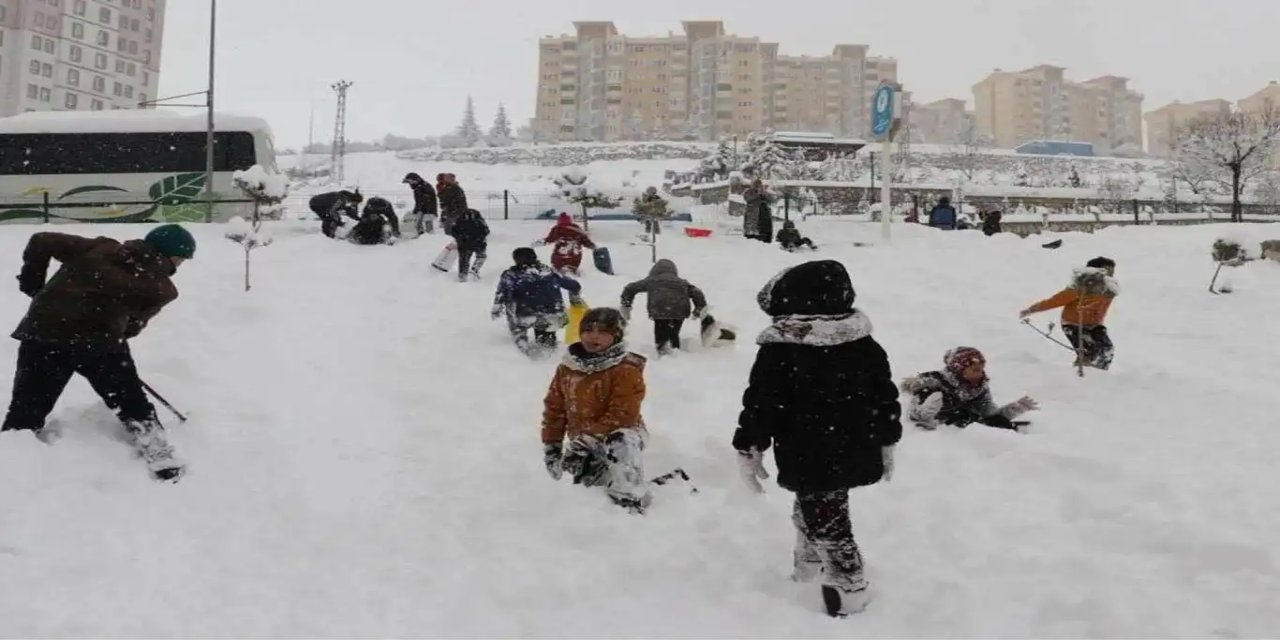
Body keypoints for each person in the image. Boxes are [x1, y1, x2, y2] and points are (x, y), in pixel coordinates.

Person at [733, 260, 901, 616]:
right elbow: (884, 396)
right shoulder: (865, 344)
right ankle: (808, 564)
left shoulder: (782, 349)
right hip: (857, 443)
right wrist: (887, 437)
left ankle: (848, 585)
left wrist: (750, 443)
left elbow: (762, 401)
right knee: (820, 502)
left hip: (807, 447)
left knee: (827, 514)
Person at [2, 225, 196, 481]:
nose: (180, 265)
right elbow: (134, 325)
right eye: (181, 259)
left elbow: (40, 240)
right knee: (130, 400)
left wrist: (32, 282)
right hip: (100, 345)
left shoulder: (98, 247)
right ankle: (160, 454)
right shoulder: (162, 288)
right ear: (171, 256)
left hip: (44, 335)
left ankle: (12, 461)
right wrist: (112, 336)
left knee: (27, 409)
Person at [541, 307, 651, 514]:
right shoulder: (567, 369)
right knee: (588, 491)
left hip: (623, 435)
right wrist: (552, 446)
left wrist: (587, 441)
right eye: (588, 330)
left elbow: (623, 415)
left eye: (603, 332)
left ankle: (630, 496)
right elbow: (555, 409)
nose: (594, 337)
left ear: (616, 336)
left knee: (621, 440)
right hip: (581, 442)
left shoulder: (625, 369)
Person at [900, 347, 1038, 432]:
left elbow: (989, 415)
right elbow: (912, 406)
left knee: (993, 421)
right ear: (959, 370)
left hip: (966, 422)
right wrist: (923, 413)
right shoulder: (934, 382)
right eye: (975, 370)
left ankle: (1018, 435)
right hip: (943, 425)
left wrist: (1013, 409)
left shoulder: (979, 388)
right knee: (955, 410)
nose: (980, 374)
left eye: (981, 369)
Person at [1020, 257, 1118, 370]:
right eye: (1107, 271)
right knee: (1087, 352)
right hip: (1073, 323)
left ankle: (1100, 374)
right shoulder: (1080, 287)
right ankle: (1080, 375)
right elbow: (1054, 301)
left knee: (1107, 349)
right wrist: (1031, 309)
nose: (1110, 275)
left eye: (1112, 272)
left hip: (1094, 324)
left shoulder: (1110, 289)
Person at [492, 247, 582, 356]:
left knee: (513, 311)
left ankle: (521, 345)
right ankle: (548, 351)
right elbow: (574, 285)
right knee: (547, 330)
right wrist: (575, 298)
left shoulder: (511, 275)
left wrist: (497, 308)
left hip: (526, 314)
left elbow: (503, 293)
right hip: (554, 313)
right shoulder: (548, 271)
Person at [619, 259, 708, 355]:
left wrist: (626, 305)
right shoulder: (682, 282)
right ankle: (675, 351)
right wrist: (698, 309)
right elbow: (697, 293)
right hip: (680, 309)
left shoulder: (652, 280)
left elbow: (630, 288)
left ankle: (663, 353)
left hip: (659, 309)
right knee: (674, 332)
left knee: (661, 334)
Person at [449, 208, 489, 281]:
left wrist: (460, 238)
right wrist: (480, 237)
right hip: (478, 243)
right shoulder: (479, 221)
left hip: (464, 244)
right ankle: (474, 269)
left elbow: (453, 231)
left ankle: (462, 275)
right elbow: (486, 231)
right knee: (481, 256)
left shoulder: (459, 221)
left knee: (464, 260)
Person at [743, 178, 773, 243]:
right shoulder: (749, 192)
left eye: (759, 184)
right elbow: (747, 198)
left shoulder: (764, 191)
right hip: (752, 214)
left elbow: (770, 200)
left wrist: (765, 194)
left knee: (764, 230)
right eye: (756, 184)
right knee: (751, 230)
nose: (758, 186)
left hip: (763, 214)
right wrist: (757, 195)